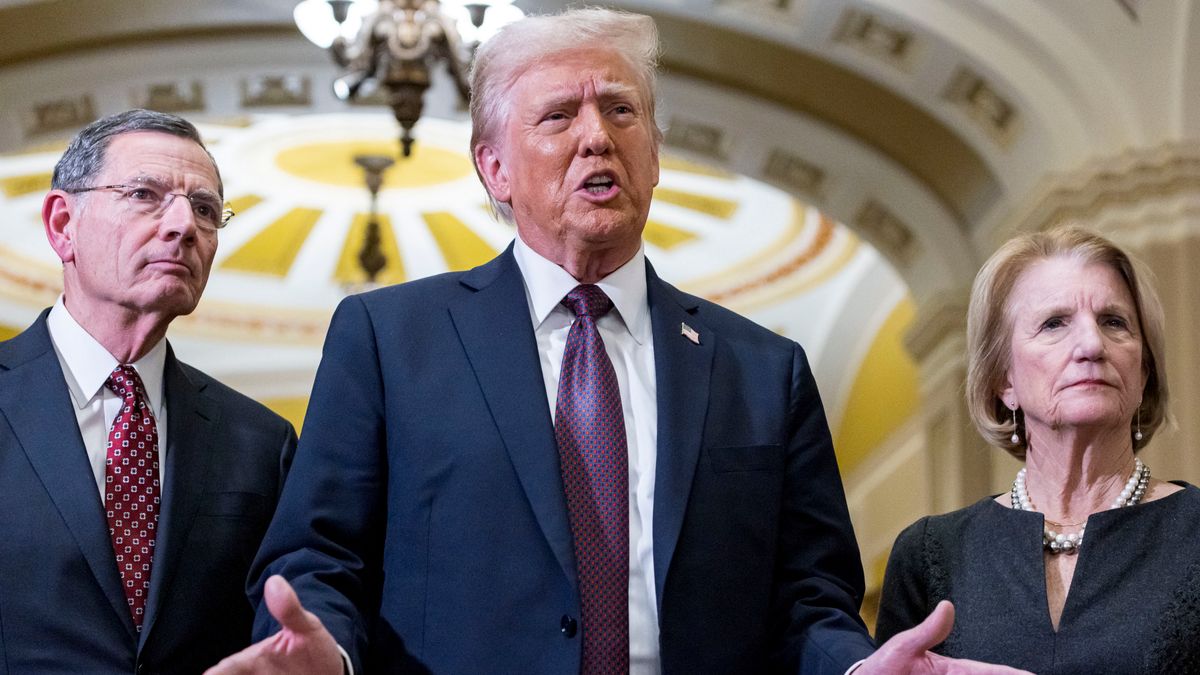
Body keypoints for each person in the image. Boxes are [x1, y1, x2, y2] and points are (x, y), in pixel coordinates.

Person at [210, 9, 1024, 675]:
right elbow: (319, 557)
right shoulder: (390, 340)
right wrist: (325, 655)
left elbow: (810, 599)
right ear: (494, 168)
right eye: (559, 115)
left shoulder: (762, 370)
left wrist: (854, 667)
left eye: (621, 110)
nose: (596, 136)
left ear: (655, 153)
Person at [0, 109, 297, 673]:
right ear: (63, 225)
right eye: (144, 195)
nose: (183, 226)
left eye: (205, 209)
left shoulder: (262, 443)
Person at [876, 227, 1199, 672]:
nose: (1092, 345)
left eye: (1114, 322)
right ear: (1002, 380)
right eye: (1054, 323)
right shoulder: (932, 554)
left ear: (1143, 372)